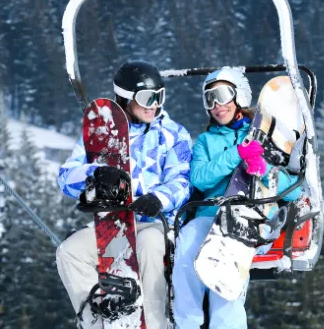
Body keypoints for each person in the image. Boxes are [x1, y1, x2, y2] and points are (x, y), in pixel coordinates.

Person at [56, 61, 193, 329]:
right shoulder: (101, 136)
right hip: (114, 223)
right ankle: (97, 321)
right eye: (146, 98)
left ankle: (154, 323)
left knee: (149, 247)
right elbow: (65, 177)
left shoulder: (173, 134)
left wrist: (159, 198)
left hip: (157, 222)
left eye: (159, 96)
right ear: (125, 97)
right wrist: (94, 174)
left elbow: (181, 181)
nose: (153, 104)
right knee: (68, 252)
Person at [172, 67, 302, 328]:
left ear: (238, 95)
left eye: (222, 95)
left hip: (247, 214)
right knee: (186, 246)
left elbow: (295, 188)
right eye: (210, 99)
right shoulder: (205, 142)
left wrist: (264, 172)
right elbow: (199, 177)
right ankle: (188, 323)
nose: (217, 105)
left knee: (227, 267)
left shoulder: (263, 135)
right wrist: (237, 154)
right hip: (208, 214)